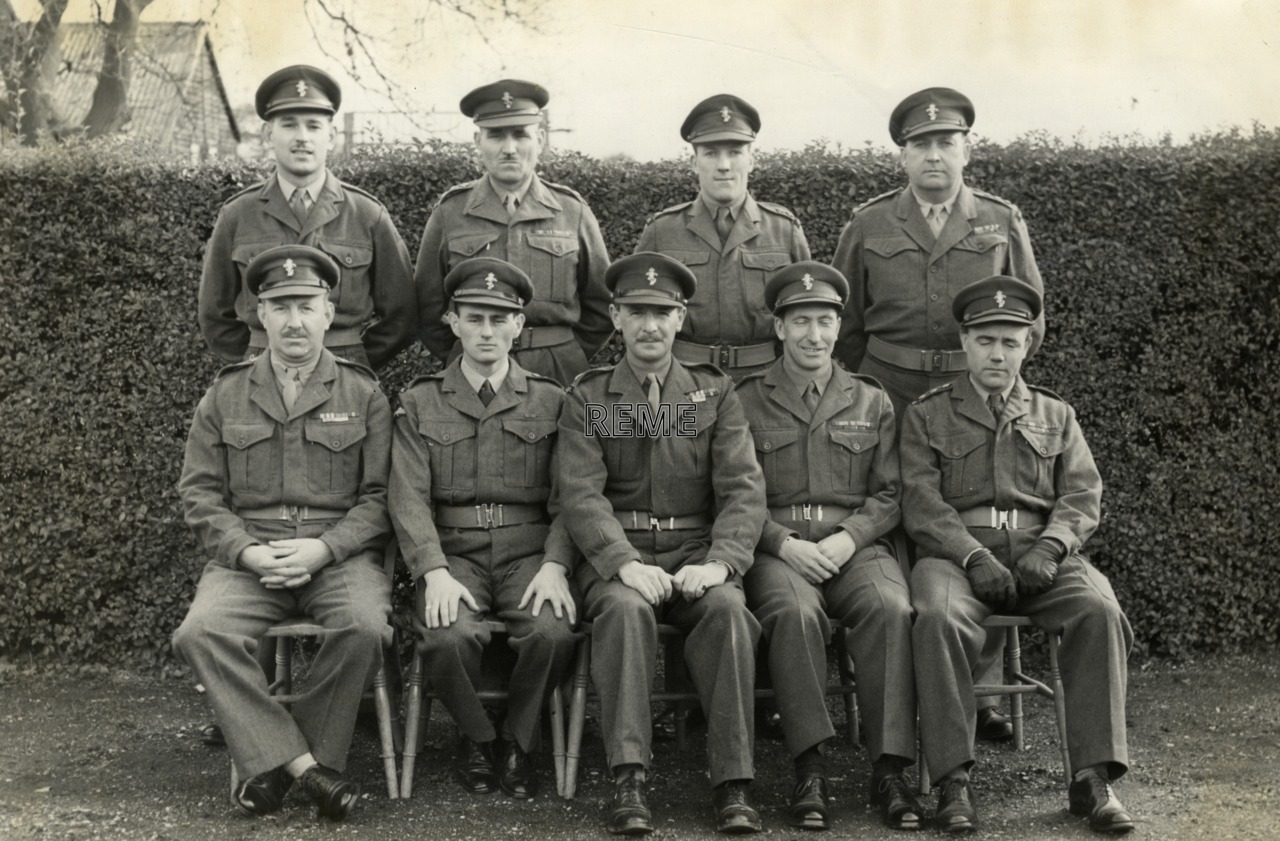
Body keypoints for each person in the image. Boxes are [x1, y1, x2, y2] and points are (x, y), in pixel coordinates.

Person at [832, 86, 1046, 738]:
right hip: (889, 392)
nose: (933, 154)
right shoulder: (869, 225)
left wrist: (992, 385)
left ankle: (975, 693)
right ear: (902, 155)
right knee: (889, 531)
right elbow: (846, 328)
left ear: (966, 149)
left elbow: (1029, 318)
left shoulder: (999, 221)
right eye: (920, 144)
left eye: (945, 142)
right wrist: (866, 397)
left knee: (973, 530)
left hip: (969, 400)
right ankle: (891, 690)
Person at [901, 275, 1135, 834]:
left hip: (1042, 555)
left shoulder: (1055, 414)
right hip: (958, 555)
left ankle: (1091, 778)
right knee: (935, 618)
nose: (997, 353)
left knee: (1099, 610)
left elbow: (1082, 494)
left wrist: (1053, 546)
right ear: (964, 341)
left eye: (1010, 341)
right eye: (986, 340)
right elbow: (920, 500)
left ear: (1028, 344)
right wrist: (972, 554)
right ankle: (953, 779)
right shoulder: (928, 413)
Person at [173, 245, 393, 822]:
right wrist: (245, 552)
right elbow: (199, 494)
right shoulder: (224, 394)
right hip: (250, 557)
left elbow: (380, 499)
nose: (294, 320)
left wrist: (325, 548)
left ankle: (277, 763)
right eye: (280, 306)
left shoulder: (364, 394)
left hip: (335, 556)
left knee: (366, 625)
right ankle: (309, 769)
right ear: (259, 314)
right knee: (200, 633)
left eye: (307, 305)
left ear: (329, 311)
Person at [557, 253, 767, 835]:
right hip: (620, 554)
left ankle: (734, 783)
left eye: (662, 313)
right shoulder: (591, 397)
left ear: (680, 319)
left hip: (696, 552)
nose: (650, 325)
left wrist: (721, 562)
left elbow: (743, 489)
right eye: (637, 313)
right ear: (616, 318)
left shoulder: (712, 394)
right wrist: (621, 562)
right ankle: (629, 779)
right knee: (624, 615)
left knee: (728, 613)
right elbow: (580, 493)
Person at [735, 262, 921, 831]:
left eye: (824, 321)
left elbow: (890, 493)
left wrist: (851, 537)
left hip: (855, 544)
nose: (813, 335)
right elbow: (730, 494)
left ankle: (889, 768)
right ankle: (808, 766)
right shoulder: (744, 400)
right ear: (779, 328)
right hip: (779, 547)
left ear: (839, 328)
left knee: (891, 608)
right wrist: (780, 543)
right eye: (800, 322)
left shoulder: (870, 399)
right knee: (794, 613)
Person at [389, 257, 580, 800]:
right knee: (446, 636)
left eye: (501, 318)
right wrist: (432, 570)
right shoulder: (420, 401)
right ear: (453, 322)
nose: (488, 331)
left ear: (520, 325)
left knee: (552, 632)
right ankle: (476, 738)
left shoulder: (553, 400)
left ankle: (519, 741)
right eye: (475, 318)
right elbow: (406, 498)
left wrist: (557, 564)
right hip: (453, 555)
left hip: (530, 552)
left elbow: (574, 495)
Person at [198, 65, 416, 370]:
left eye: (313, 126)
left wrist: (355, 361)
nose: (302, 137)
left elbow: (402, 314)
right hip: (260, 374)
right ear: (267, 133)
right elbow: (213, 315)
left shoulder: (367, 215)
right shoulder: (237, 215)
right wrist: (255, 361)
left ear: (332, 135)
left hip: (344, 370)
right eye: (289, 125)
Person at [415, 79, 612, 384]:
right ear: (478, 141)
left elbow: (601, 304)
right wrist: (461, 353)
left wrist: (566, 355)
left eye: (521, 135)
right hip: (473, 372)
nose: (509, 149)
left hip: (555, 371)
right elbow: (427, 308)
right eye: (495, 136)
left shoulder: (572, 212)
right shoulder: (450, 212)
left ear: (541, 139)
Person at [635, 94, 811, 381]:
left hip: (765, 381)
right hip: (681, 377)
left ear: (751, 160)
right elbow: (636, 315)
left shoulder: (784, 230)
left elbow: (804, 315)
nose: (724, 165)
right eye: (711, 153)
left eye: (735, 152)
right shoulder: (662, 231)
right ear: (694, 162)